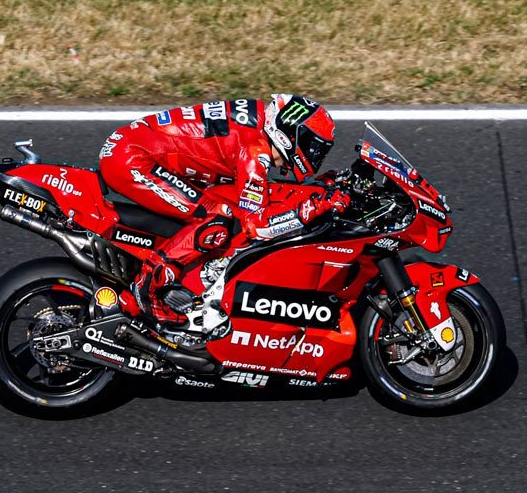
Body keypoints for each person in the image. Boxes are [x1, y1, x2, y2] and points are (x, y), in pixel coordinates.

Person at [98, 94, 349, 326]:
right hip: (132, 158)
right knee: (217, 217)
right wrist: (312, 207)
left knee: (227, 205)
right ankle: (148, 286)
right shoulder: (256, 149)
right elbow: (257, 227)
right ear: (291, 135)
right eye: (313, 147)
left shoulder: (260, 123)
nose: (314, 156)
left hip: (136, 149)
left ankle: (190, 278)